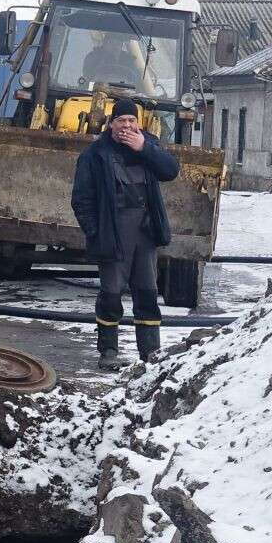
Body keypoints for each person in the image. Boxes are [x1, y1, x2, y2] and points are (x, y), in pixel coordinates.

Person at [72, 100, 181, 368]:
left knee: (146, 292)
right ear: (111, 124)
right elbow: (81, 199)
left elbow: (170, 171)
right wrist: (95, 232)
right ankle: (108, 352)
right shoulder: (94, 154)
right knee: (110, 294)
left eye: (132, 121)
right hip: (113, 234)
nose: (127, 126)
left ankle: (150, 353)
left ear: (139, 123)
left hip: (144, 233)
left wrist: (143, 148)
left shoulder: (149, 145)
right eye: (121, 121)